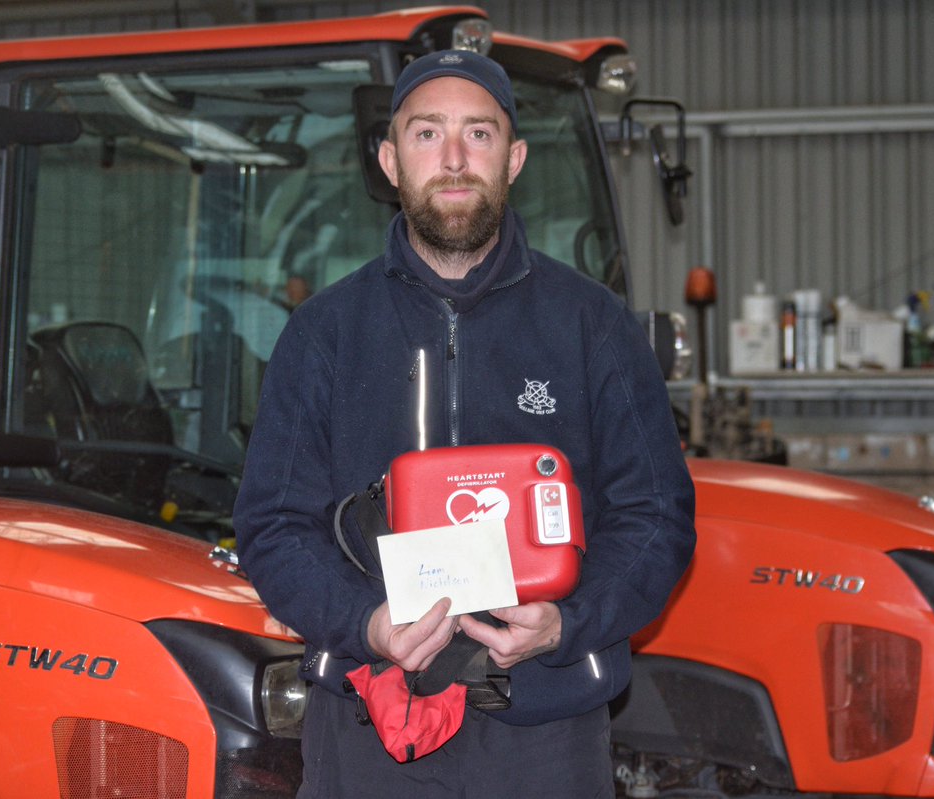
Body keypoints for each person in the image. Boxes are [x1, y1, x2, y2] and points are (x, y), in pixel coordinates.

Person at [233, 49, 696, 798]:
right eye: (426, 134)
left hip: (546, 731)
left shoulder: (591, 326)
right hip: (368, 724)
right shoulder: (324, 333)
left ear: (513, 159)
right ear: (389, 159)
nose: (453, 159)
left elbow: (657, 515)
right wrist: (367, 624)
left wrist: (566, 623)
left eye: (478, 135)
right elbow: (273, 524)